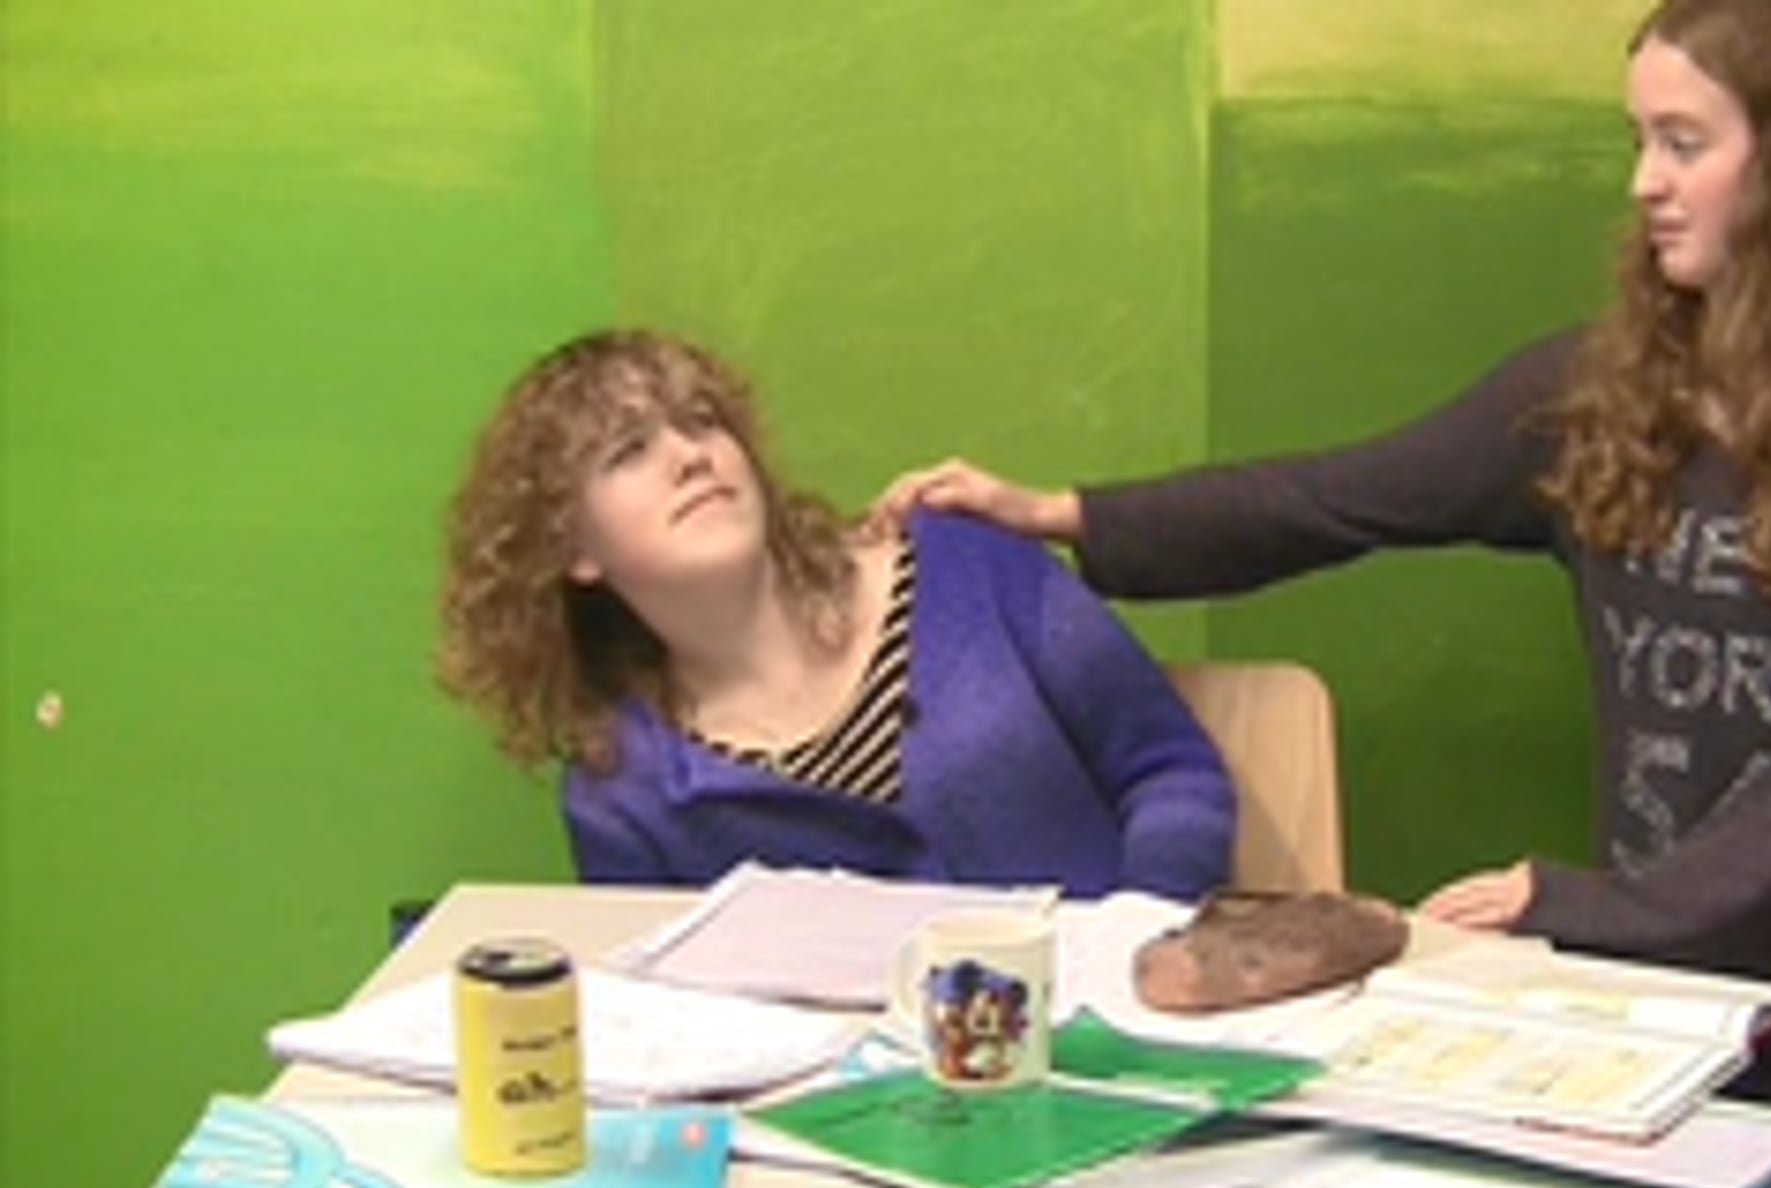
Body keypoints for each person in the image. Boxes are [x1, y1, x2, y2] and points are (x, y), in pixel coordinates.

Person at [876, 0, 1771, 1188]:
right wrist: (1062, 514)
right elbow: (1341, 498)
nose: (1644, 183)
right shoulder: (1601, 396)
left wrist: (1588, 902)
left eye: (1683, 143)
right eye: (1639, 141)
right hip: (1660, 978)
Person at [436, 329, 1236, 901]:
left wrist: (1138, 935)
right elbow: (677, 1024)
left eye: (702, 419)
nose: (690, 456)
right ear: (575, 551)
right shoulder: (622, 790)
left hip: (1112, 1046)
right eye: (627, 452)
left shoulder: (965, 564)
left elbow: (1171, 771)